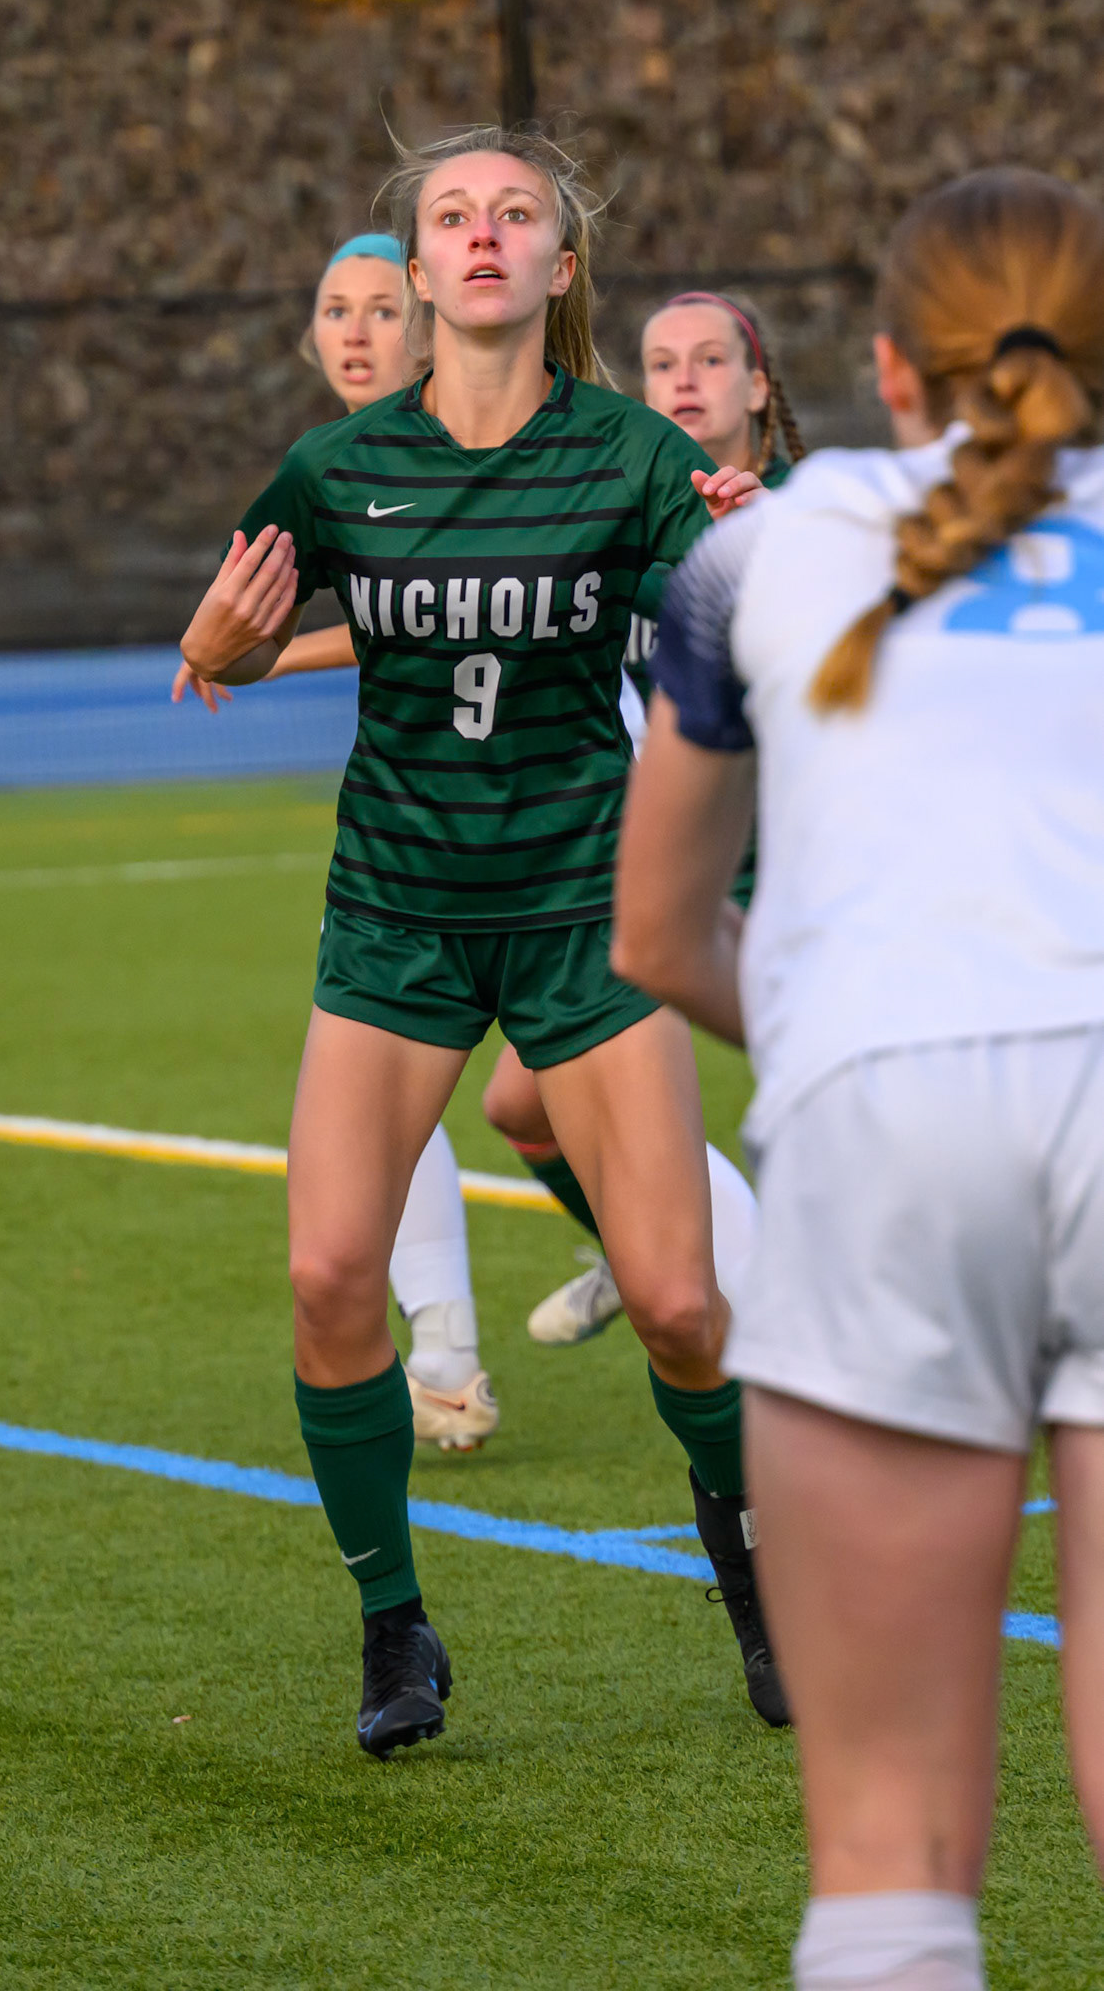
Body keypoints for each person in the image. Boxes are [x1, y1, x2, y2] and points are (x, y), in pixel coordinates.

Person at [178, 124, 785, 1758]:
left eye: (516, 213)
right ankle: (393, 1626)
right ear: (419, 270)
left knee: (678, 1304)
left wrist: (748, 550)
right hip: (397, 918)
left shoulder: (628, 455)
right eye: (451, 215)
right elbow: (222, 635)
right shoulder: (336, 468)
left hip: (581, 919)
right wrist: (216, 639)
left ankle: (751, 1571)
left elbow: (733, 621)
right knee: (326, 1278)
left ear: (557, 266)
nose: (483, 234)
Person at [614, 164, 1104, 1989]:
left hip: (882, 1127)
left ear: (886, 370)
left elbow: (656, 933)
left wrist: (851, 1029)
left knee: (888, 1853)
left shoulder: (760, 546)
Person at [173, 233, 498, 1454]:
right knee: (398, 1094)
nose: (355, 330)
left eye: (378, 306)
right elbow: (383, 614)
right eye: (332, 308)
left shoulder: (481, 437)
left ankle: (762, 1319)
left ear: (428, 318)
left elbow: (438, 609)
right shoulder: (343, 465)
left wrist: (260, 658)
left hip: (555, 818)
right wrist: (235, 644)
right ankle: (447, 1353)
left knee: (575, 1114)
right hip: (430, 835)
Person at [488, 285, 805, 1348]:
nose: (682, 379)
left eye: (710, 359)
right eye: (662, 362)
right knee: (519, 1107)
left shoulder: (814, 515)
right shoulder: (623, 511)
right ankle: (639, 1251)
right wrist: (261, 654)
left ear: (758, 389)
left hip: (804, 870)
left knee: (837, 1108)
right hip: (675, 869)